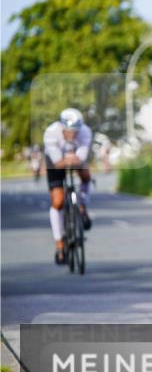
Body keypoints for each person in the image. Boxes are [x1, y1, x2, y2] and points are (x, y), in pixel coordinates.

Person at [44, 108, 93, 265]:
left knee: (86, 176)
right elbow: (57, 162)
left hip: (74, 158)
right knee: (58, 201)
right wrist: (68, 159)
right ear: (62, 127)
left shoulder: (85, 132)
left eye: (76, 131)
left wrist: (75, 159)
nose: (73, 134)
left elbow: (82, 156)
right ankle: (59, 245)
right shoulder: (51, 133)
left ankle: (82, 207)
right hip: (55, 161)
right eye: (69, 131)